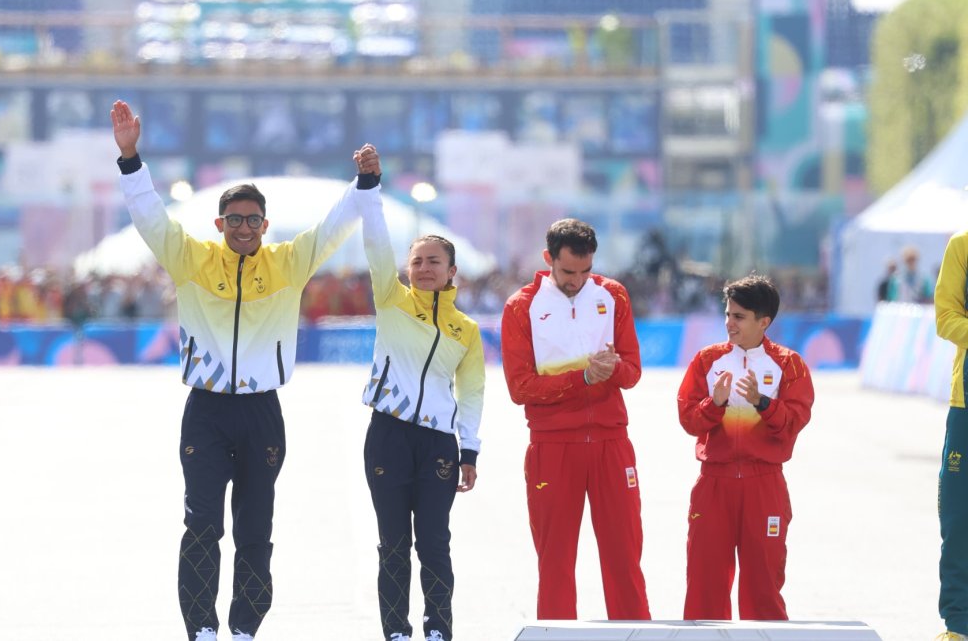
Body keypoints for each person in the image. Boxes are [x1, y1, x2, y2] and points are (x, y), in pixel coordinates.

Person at [111, 100, 365, 641]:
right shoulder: (191, 259)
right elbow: (150, 218)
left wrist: (364, 183)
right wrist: (131, 158)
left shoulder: (288, 262)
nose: (244, 227)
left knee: (255, 527)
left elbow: (333, 228)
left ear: (265, 224)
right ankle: (202, 627)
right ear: (219, 223)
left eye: (253, 219)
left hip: (261, 412)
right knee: (202, 523)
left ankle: (245, 626)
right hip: (204, 411)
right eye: (235, 219)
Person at [351, 144, 484, 641]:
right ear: (406, 268)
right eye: (417, 261)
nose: (424, 268)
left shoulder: (465, 330)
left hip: (437, 446)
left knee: (434, 543)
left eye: (434, 262)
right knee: (392, 544)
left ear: (453, 272)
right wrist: (371, 185)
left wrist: (469, 449)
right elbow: (376, 241)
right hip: (387, 434)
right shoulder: (390, 298)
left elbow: (471, 394)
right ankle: (396, 632)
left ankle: (438, 631)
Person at [500, 218, 650, 620]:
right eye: (568, 271)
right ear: (548, 258)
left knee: (624, 559)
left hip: (611, 444)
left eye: (585, 271)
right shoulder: (521, 307)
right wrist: (581, 377)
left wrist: (613, 369)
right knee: (555, 564)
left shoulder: (612, 294)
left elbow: (633, 372)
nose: (578, 281)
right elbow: (520, 388)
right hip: (553, 447)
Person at [676, 274, 815, 620]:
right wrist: (715, 403)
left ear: (763, 322)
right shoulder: (708, 361)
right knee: (704, 586)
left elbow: (795, 422)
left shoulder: (788, 364)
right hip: (714, 483)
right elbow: (689, 420)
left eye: (739, 317)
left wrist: (762, 402)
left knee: (763, 587)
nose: (729, 323)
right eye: (727, 314)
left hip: (763, 483)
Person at [935, 230, 968, 640]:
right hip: (967, 404)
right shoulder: (962, 246)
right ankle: (959, 624)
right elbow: (945, 316)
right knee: (959, 517)